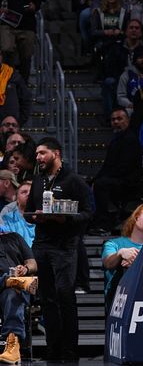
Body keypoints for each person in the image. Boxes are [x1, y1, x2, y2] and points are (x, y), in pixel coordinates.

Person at [25, 137, 93, 361]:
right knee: (47, 299)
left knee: (65, 295)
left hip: (65, 246)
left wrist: (66, 220)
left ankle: (70, 351)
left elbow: (87, 213)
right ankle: (53, 350)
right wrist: (35, 217)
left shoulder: (74, 180)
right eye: (36, 154)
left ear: (56, 153)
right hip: (42, 244)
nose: (38, 158)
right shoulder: (37, 180)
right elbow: (30, 210)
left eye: (42, 153)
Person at [101, 203, 143, 313]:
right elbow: (108, 263)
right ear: (136, 217)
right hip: (118, 305)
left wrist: (135, 263)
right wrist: (120, 253)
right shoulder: (114, 244)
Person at [0, 228, 38, 364]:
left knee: (13, 292)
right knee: (14, 286)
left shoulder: (15, 238)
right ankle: (8, 280)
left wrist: (25, 269)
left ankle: (13, 346)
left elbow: (33, 264)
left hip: (15, 290)